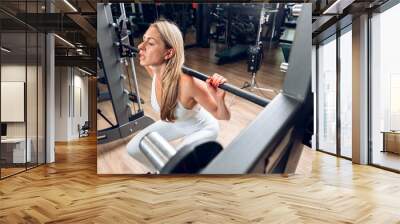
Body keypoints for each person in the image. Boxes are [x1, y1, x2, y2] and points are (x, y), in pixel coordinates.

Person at [127, 20, 231, 173]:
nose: (140, 47)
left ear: (168, 53)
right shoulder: (154, 71)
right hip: (176, 123)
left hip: (201, 128)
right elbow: (149, 58)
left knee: (177, 165)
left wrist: (219, 98)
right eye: (143, 40)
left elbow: (223, 116)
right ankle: (160, 173)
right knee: (133, 148)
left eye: (150, 43)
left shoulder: (188, 83)